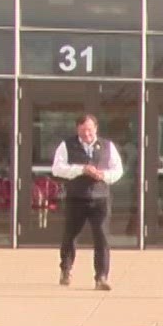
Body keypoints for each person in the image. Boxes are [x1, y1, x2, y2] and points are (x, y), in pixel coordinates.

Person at [51, 113, 125, 290]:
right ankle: (66, 269)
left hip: (100, 199)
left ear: (96, 129)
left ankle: (101, 277)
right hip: (76, 197)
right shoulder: (66, 145)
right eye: (83, 131)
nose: (87, 134)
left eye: (90, 130)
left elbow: (118, 170)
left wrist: (104, 175)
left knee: (102, 237)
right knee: (70, 236)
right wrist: (81, 169)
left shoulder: (107, 146)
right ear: (78, 129)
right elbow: (57, 169)